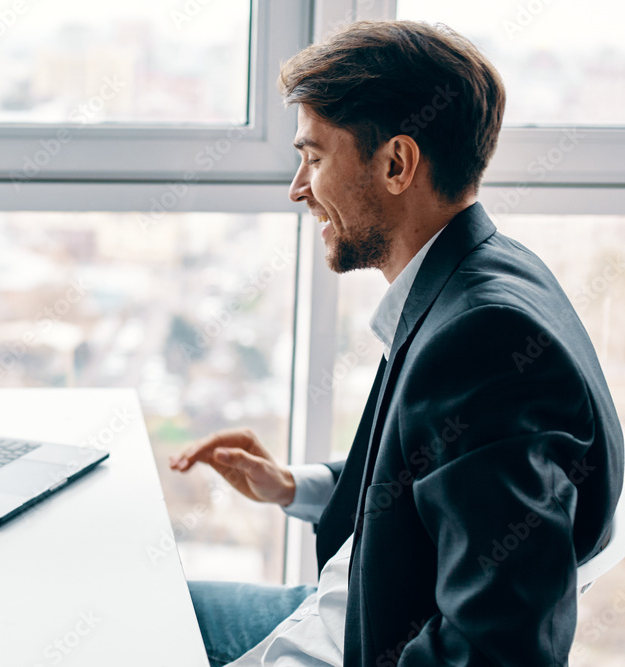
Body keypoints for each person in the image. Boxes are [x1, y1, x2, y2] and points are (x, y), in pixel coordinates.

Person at [169, 20, 624, 667]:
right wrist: (295, 485)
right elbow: (434, 474)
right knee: (144, 601)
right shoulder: (477, 274)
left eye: (316, 157)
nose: (298, 187)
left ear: (396, 163)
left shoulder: (485, 341)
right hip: (353, 600)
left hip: (359, 637)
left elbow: (498, 648)